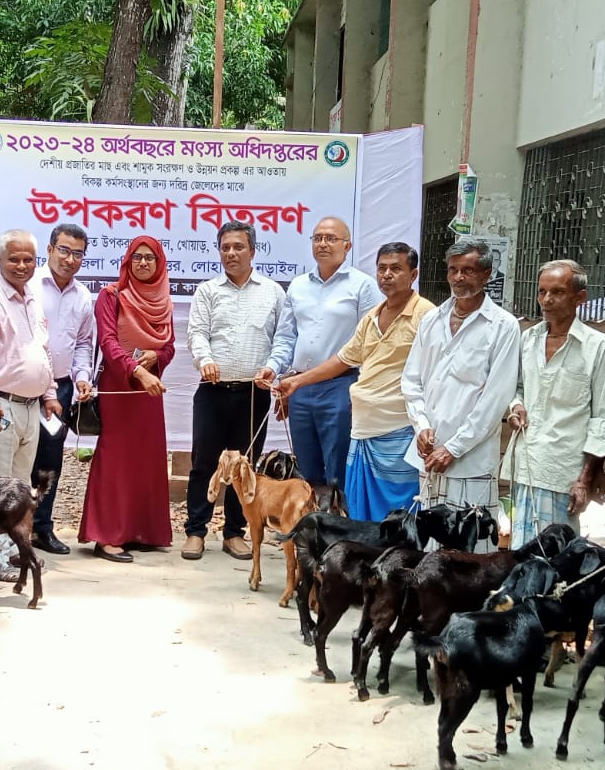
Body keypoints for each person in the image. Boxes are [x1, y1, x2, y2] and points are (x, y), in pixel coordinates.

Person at [278, 242, 434, 521]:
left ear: (413, 275)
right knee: (359, 507)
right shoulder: (372, 317)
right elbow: (342, 359)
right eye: (382, 268)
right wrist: (298, 382)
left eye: (396, 268)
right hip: (364, 430)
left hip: (400, 429)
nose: (387, 275)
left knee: (399, 510)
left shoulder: (427, 316)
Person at [400, 238, 520, 548]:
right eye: (453, 270)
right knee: (429, 548)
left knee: (469, 550)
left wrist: (453, 447)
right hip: (429, 454)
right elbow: (412, 380)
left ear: (487, 274)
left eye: (468, 270)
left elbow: (496, 398)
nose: (458, 277)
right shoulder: (432, 320)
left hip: (470, 459)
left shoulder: (503, 326)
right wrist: (421, 426)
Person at [183, 220, 287, 561]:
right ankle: (196, 531)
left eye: (238, 247)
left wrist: (272, 366)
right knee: (203, 463)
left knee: (245, 465)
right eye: (225, 247)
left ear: (253, 251)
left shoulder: (272, 292)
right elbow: (196, 332)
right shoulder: (208, 290)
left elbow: (283, 339)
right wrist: (205, 359)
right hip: (213, 390)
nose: (231, 253)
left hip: (253, 394)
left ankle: (234, 533)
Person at [254, 217, 382, 488]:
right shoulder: (298, 285)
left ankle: (339, 524)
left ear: (347, 246)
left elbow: (367, 345)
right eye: (318, 238)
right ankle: (309, 525)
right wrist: (273, 367)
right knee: (307, 466)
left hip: (342, 386)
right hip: (300, 390)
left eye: (331, 238)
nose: (323, 243)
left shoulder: (363, 286)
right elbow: (287, 337)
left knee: (338, 466)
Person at [503, 259, 605, 547]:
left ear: (580, 298)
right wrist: (516, 408)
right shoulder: (528, 339)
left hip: (563, 472)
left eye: (557, 292)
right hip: (526, 463)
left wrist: (586, 478)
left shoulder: (599, 346)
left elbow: (602, 417)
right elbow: (517, 389)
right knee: (521, 556)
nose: (547, 300)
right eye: (542, 292)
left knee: (557, 560)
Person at [80, 235, 175, 561]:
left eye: (150, 257)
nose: (144, 263)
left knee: (145, 458)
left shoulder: (163, 299)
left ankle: (141, 530)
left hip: (149, 391)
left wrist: (156, 356)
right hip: (121, 385)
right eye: (137, 257)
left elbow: (170, 345)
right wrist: (138, 370)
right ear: (127, 262)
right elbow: (108, 342)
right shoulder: (111, 296)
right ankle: (106, 536)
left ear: (159, 263)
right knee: (115, 458)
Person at [0, 229, 58, 581]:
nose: (22, 266)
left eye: (28, 260)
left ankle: (13, 551)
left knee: (20, 487)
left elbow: (42, 351)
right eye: (14, 259)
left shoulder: (32, 298)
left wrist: (50, 393)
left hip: (31, 406)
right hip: (1, 407)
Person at [29, 223, 96, 556]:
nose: (70, 259)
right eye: (65, 250)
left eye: (78, 253)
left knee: (49, 462)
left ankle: (41, 528)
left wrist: (83, 375)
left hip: (63, 389)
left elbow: (83, 344)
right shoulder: (28, 285)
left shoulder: (83, 297)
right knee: (16, 461)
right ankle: (11, 530)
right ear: (50, 249)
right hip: (24, 387)